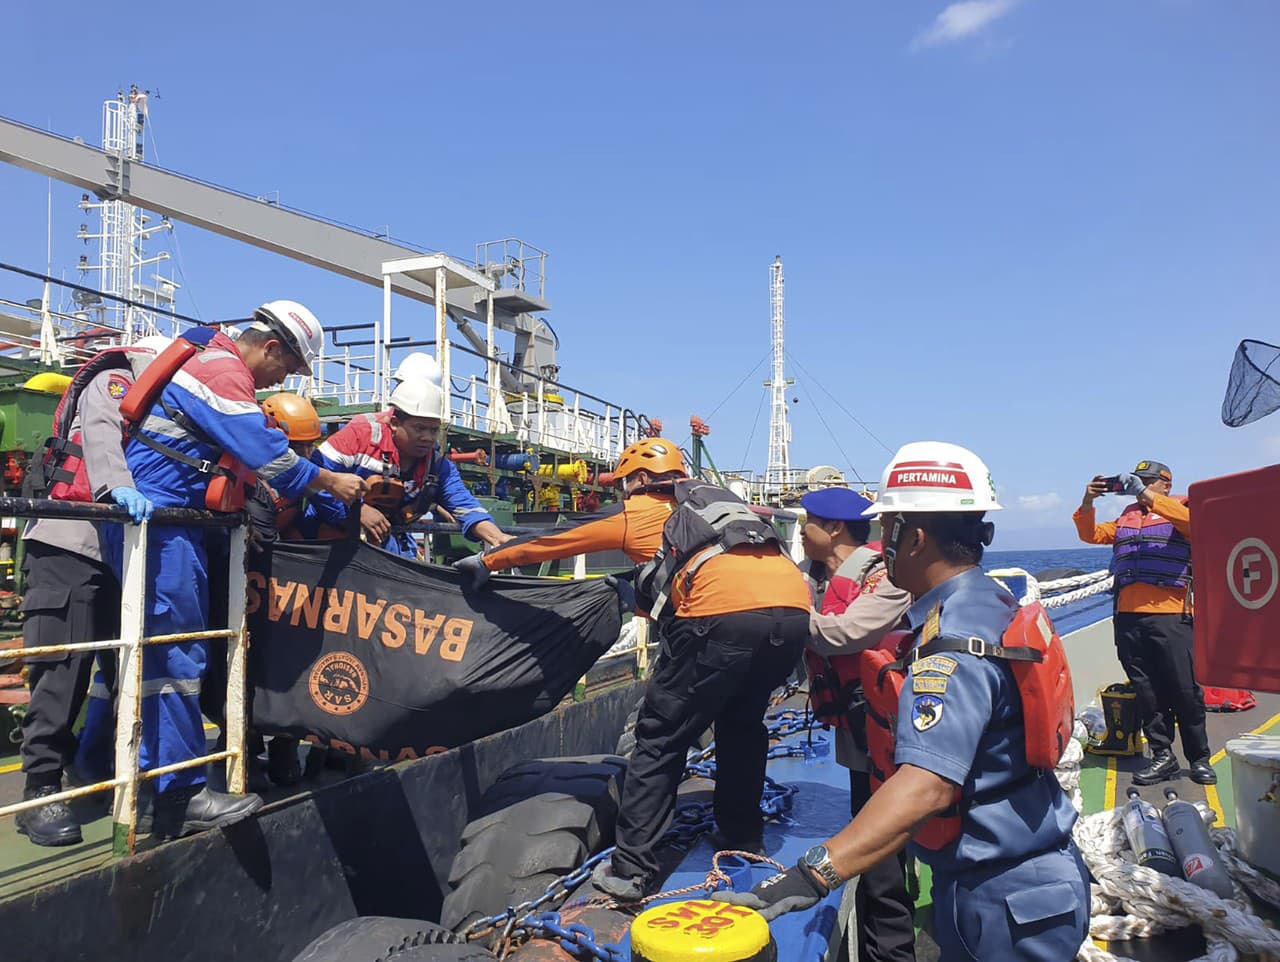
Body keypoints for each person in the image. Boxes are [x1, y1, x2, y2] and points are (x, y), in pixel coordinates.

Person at [719, 442, 1088, 962]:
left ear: (913, 538)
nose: (879, 541)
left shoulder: (953, 642)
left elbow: (926, 787)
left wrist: (807, 877)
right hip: (1013, 882)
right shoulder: (987, 601)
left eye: (885, 528)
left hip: (1004, 896)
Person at [457, 437, 812, 900]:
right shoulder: (721, 504)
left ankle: (631, 871)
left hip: (719, 618)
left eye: (625, 485)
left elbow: (554, 540)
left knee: (660, 738)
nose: (622, 493)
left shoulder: (640, 510)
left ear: (641, 479)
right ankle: (741, 835)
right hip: (792, 613)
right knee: (742, 723)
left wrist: (488, 559)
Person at [112, 301, 367, 838]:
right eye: (289, 369)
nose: (284, 381)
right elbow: (271, 458)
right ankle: (178, 796)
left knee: (175, 653)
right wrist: (331, 483)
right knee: (175, 654)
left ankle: (149, 780)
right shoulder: (223, 373)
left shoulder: (212, 363)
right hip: (161, 527)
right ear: (271, 348)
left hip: (178, 525)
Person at [14, 338, 166, 846]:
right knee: (63, 670)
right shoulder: (121, 379)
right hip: (71, 544)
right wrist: (114, 491)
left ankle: (98, 768)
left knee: (125, 669)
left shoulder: (163, 394)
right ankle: (40, 791)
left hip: (122, 548)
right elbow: (103, 435)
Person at [799, 487, 916, 962]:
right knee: (867, 830)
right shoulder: (817, 580)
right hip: (853, 721)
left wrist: (786, 616)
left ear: (833, 529)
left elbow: (846, 635)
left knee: (882, 846)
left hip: (883, 719)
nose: (800, 532)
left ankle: (891, 952)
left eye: (806, 522)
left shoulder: (884, 576)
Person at [1074, 459, 1212, 785]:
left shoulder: (1181, 508)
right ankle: (1162, 755)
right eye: (1138, 482)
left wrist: (1149, 498)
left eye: (1150, 481)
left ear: (1166, 484)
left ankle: (1199, 758)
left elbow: (1198, 526)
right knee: (1146, 691)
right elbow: (1091, 534)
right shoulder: (1126, 517)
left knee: (1184, 690)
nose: (1142, 486)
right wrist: (1088, 501)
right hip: (1128, 617)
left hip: (1170, 615)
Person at [309, 378, 511, 555]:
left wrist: (496, 537)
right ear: (395, 423)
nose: (428, 438)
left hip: (386, 543)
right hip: (323, 543)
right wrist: (357, 511)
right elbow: (312, 479)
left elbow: (464, 504)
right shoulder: (358, 437)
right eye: (419, 428)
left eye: (433, 430)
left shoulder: (436, 464)